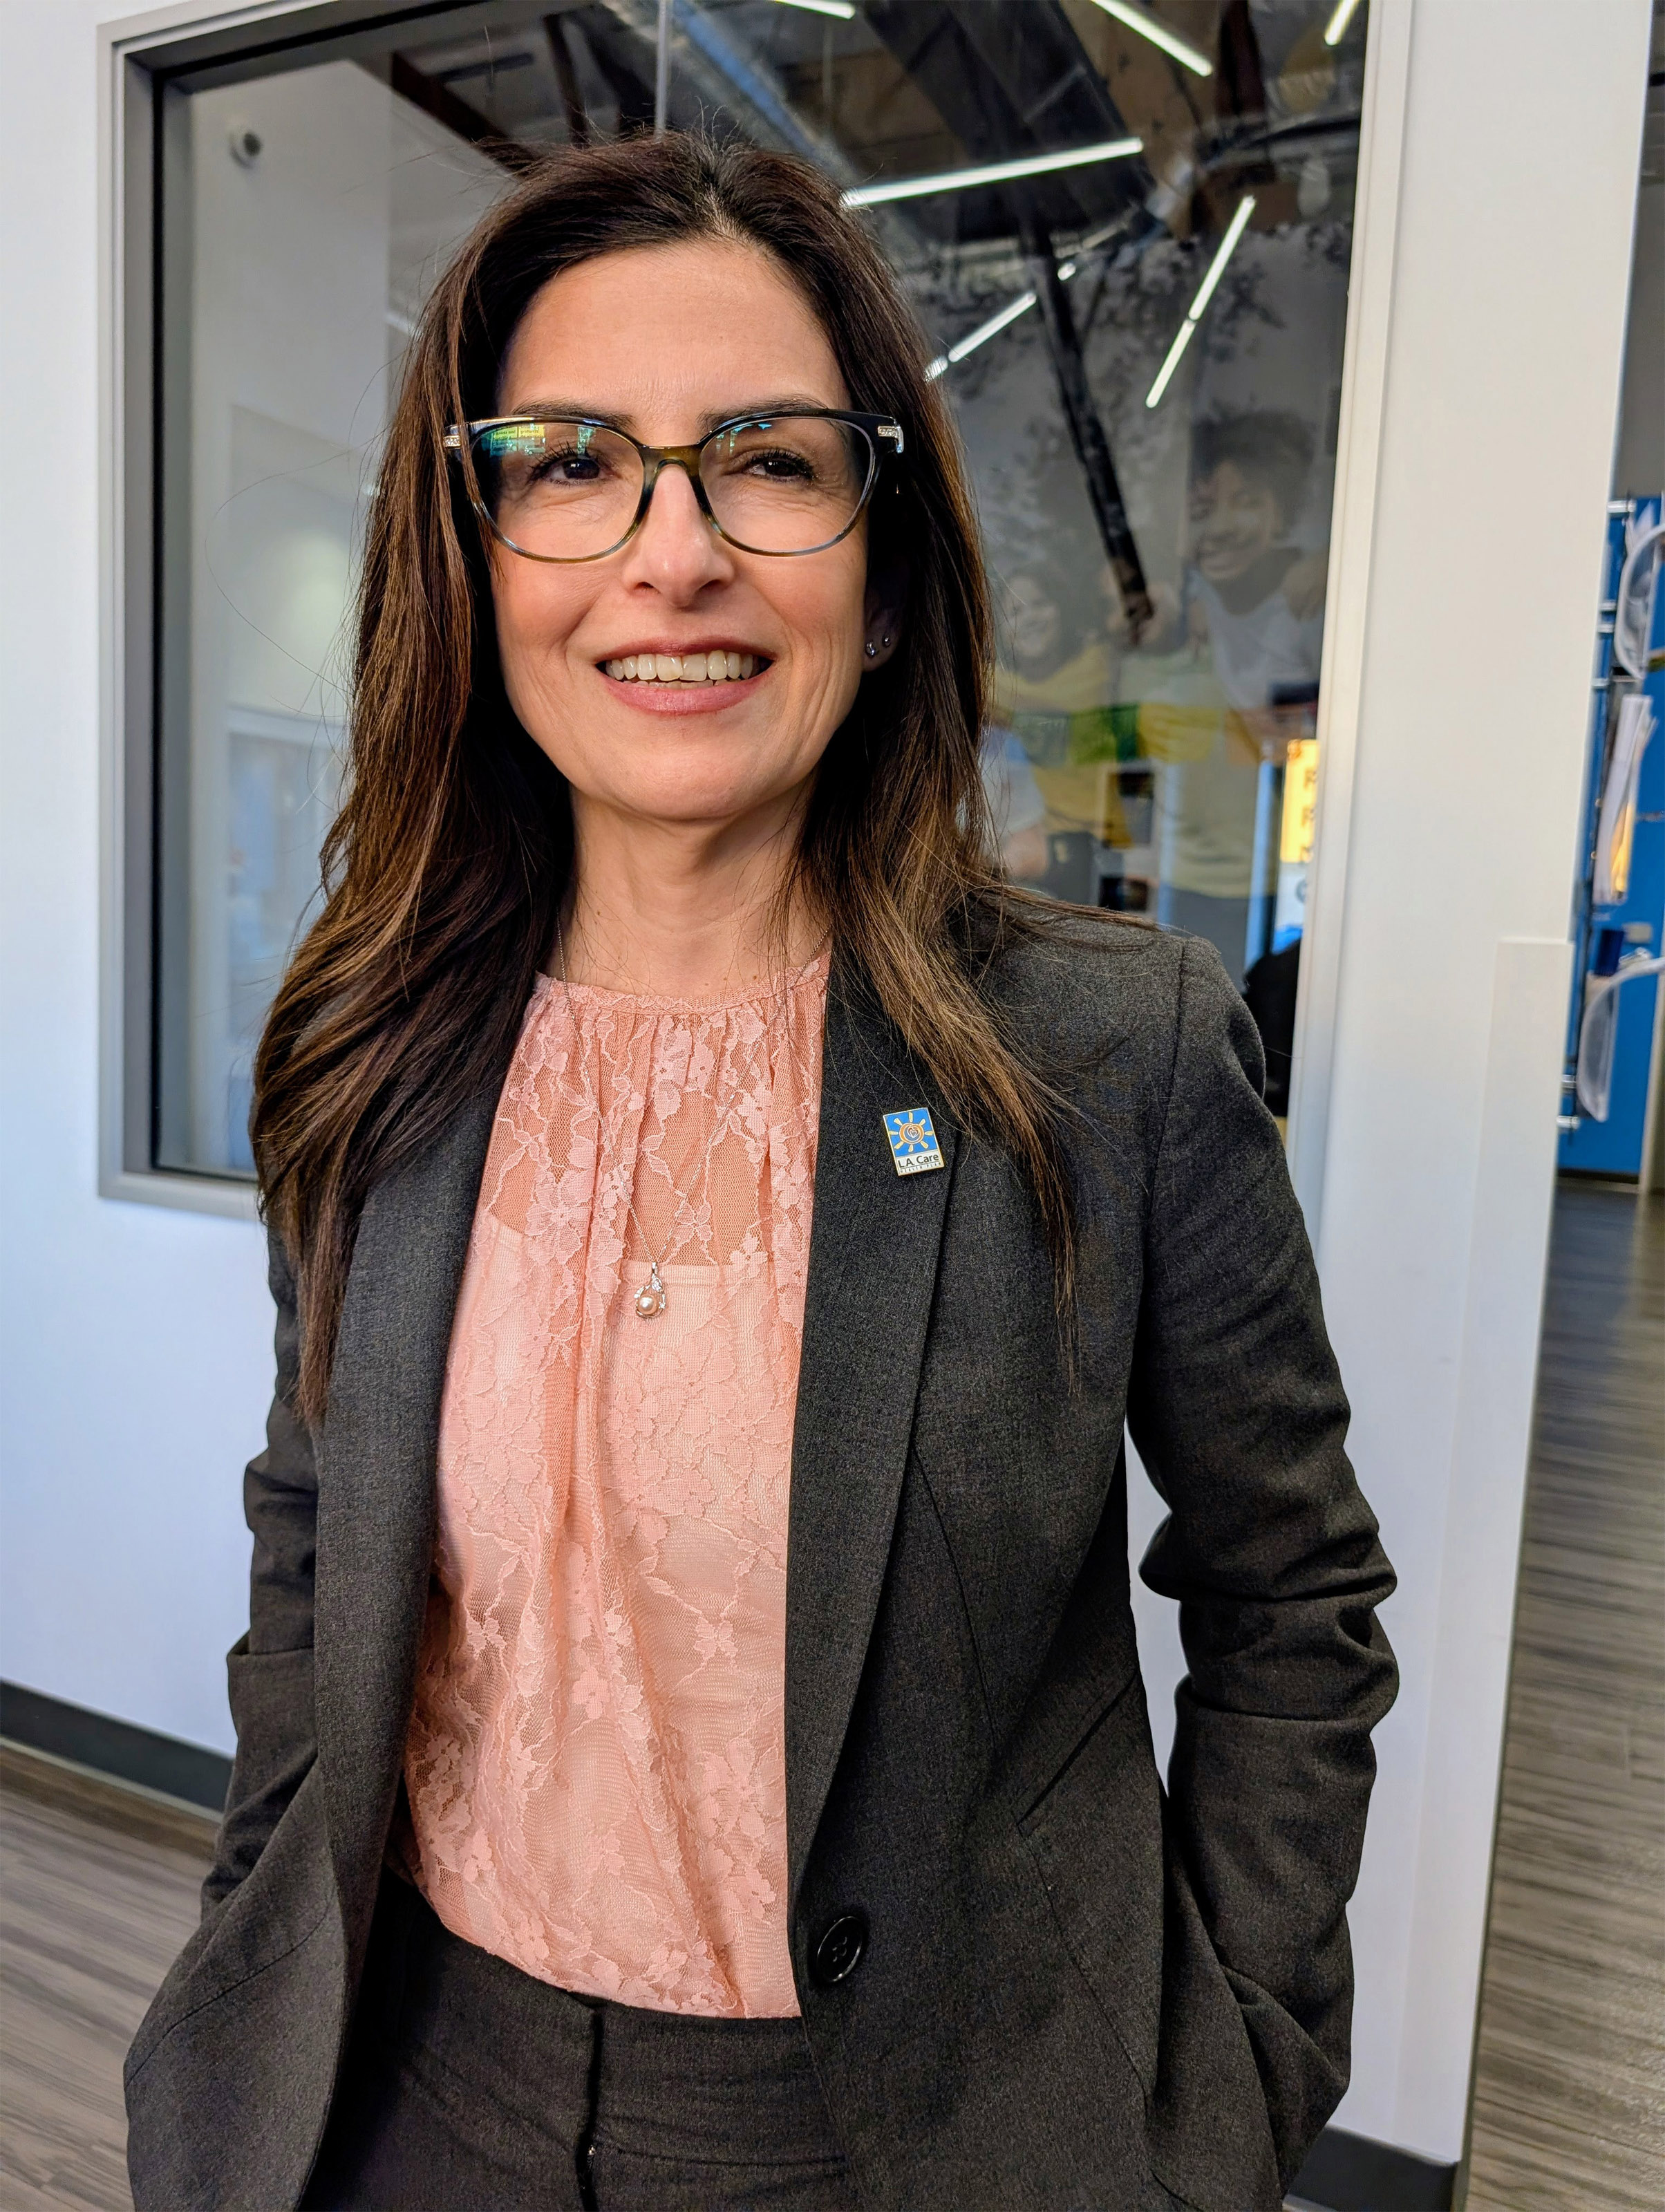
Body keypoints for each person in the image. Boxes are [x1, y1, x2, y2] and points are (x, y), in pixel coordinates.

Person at [124, 136, 1397, 2212]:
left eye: (769, 462)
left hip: (920, 2135)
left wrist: (1236, 2076)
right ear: (476, 556)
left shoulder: (1109, 1055)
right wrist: (258, 1898)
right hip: (392, 2097)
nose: (673, 552)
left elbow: (1294, 1599)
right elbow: (312, 1529)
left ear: (882, 575)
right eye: (571, 463)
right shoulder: (375, 1042)